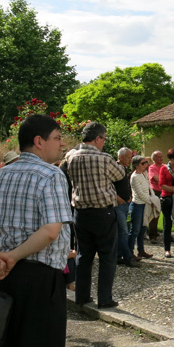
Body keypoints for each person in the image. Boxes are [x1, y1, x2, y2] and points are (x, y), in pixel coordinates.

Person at [0, 114, 73, 347]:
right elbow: (51, 230)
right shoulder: (51, 175)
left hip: (3, 275)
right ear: (39, 141)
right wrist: (11, 256)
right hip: (40, 280)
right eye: (56, 138)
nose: (61, 144)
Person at [66, 122, 125, 308]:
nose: (104, 142)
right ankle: (104, 298)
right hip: (102, 211)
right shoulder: (104, 158)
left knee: (84, 256)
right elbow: (120, 174)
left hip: (80, 212)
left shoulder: (70, 157)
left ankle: (82, 297)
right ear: (97, 138)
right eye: (104, 139)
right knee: (107, 256)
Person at [113, 147, 140, 268]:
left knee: (122, 231)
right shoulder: (114, 169)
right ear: (121, 157)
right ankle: (128, 257)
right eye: (129, 157)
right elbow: (109, 186)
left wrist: (129, 196)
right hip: (118, 204)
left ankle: (118, 256)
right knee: (123, 231)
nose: (131, 160)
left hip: (125, 203)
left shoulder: (125, 168)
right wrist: (117, 197)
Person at [129, 155, 155, 260]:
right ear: (136, 165)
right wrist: (151, 201)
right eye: (143, 163)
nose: (146, 165)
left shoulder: (144, 174)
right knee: (135, 230)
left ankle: (141, 250)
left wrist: (152, 197)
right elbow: (139, 193)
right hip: (137, 205)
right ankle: (129, 252)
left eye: (146, 163)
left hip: (145, 204)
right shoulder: (134, 177)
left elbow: (149, 187)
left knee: (142, 228)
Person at [147, 150, 164, 243]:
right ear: (154, 159)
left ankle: (167, 234)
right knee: (154, 214)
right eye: (159, 157)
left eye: (162, 157)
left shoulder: (164, 167)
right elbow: (157, 179)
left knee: (167, 214)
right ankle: (152, 235)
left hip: (165, 191)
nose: (161, 158)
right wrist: (164, 180)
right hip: (156, 192)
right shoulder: (152, 168)